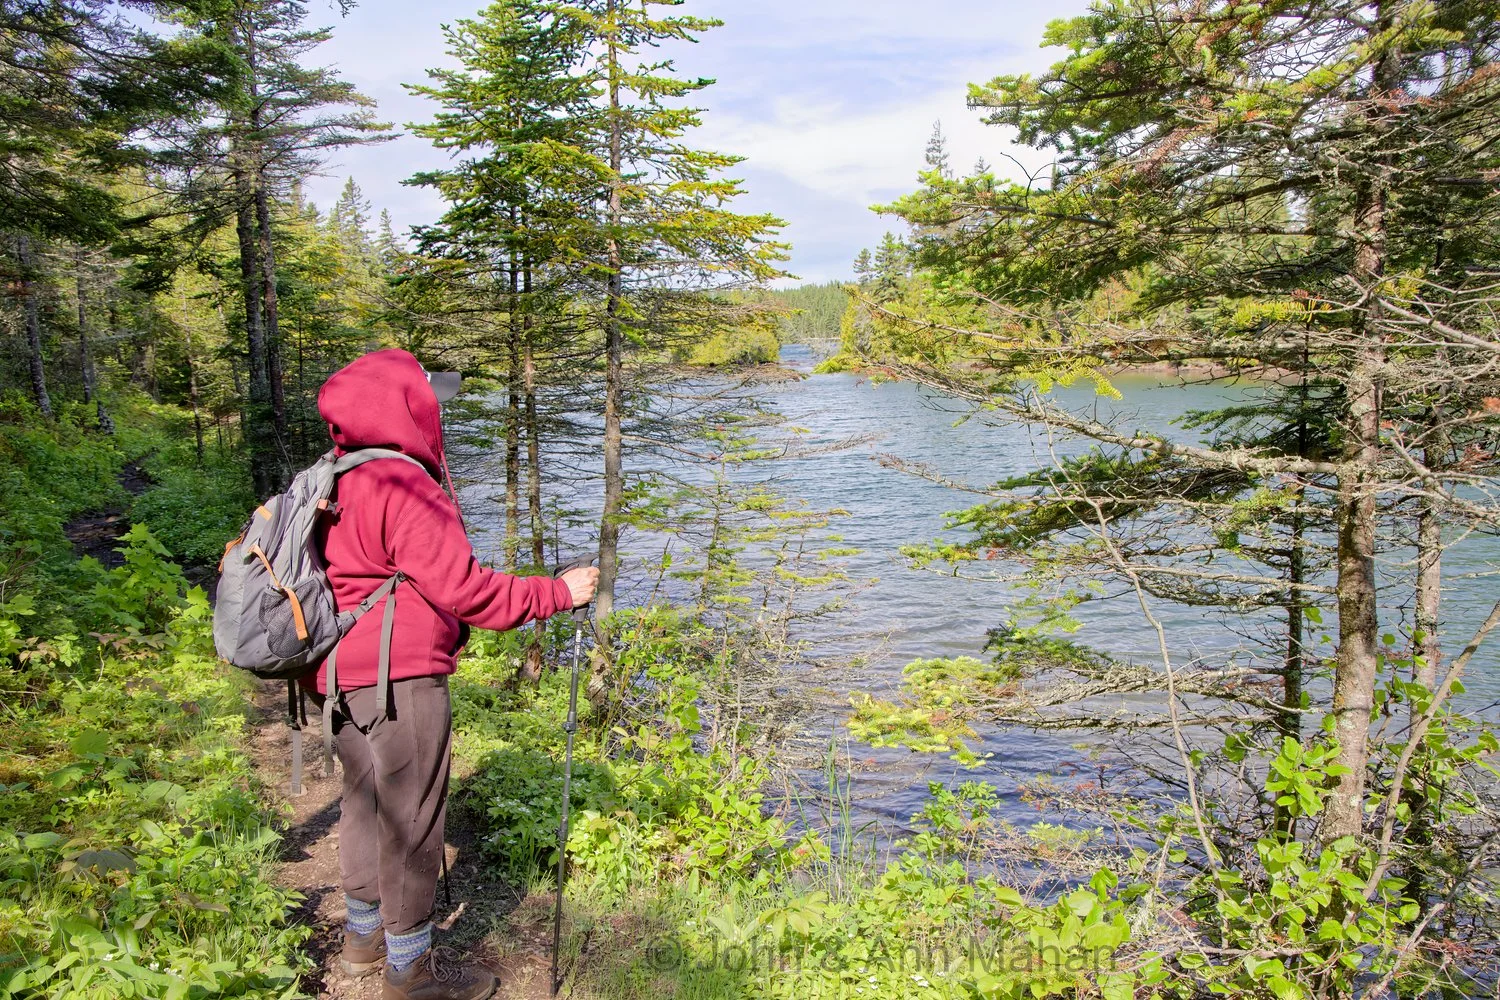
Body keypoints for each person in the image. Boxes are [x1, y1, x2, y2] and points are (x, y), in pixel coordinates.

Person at [305, 349, 598, 1000]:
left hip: (333, 674)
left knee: (362, 801)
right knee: (411, 823)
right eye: (425, 397)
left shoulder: (332, 477)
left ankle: (362, 944)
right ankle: (411, 974)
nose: (433, 408)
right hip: (400, 678)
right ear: (403, 404)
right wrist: (556, 593)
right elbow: (469, 592)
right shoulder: (404, 484)